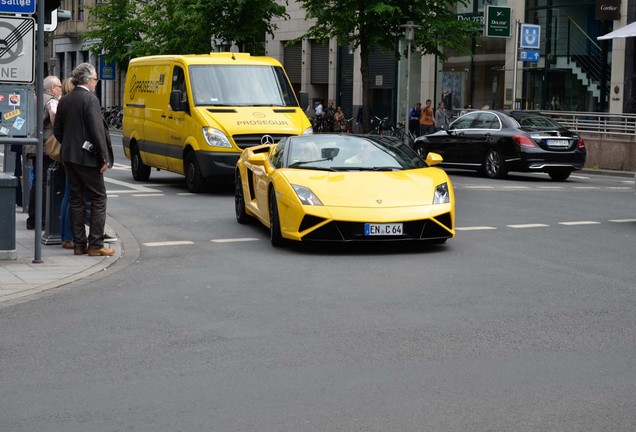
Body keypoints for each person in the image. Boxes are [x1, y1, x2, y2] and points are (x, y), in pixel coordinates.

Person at [54, 63, 115, 257]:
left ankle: (79, 244)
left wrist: (71, 144)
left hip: (69, 157)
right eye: (95, 79)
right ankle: (96, 245)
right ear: (88, 80)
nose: (96, 82)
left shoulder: (65, 99)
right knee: (98, 197)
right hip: (87, 158)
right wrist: (104, 157)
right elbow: (97, 130)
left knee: (76, 198)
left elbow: (58, 130)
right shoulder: (90, 99)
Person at [25, 75, 63, 229]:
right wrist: (59, 129)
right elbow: (54, 114)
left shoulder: (34, 98)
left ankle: (33, 218)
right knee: (46, 183)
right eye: (59, 86)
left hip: (33, 145)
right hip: (47, 147)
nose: (61, 89)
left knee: (38, 182)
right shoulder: (51, 100)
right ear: (53, 88)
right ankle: (42, 219)